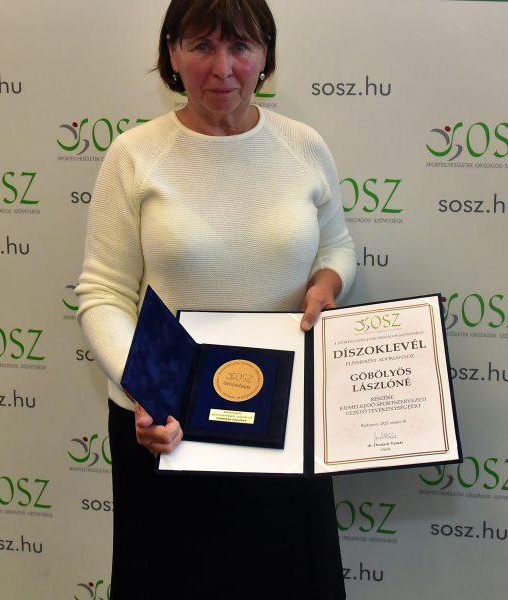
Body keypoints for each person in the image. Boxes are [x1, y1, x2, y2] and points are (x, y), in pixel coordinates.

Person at [76, 0, 356, 597]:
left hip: (285, 411)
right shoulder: (134, 154)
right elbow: (103, 292)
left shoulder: (303, 145)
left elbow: (336, 246)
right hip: (167, 421)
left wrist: (326, 286)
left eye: (241, 47)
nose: (223, 68)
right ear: (172, 54)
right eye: (203, 46)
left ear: (265, 54)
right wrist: (148, 390)